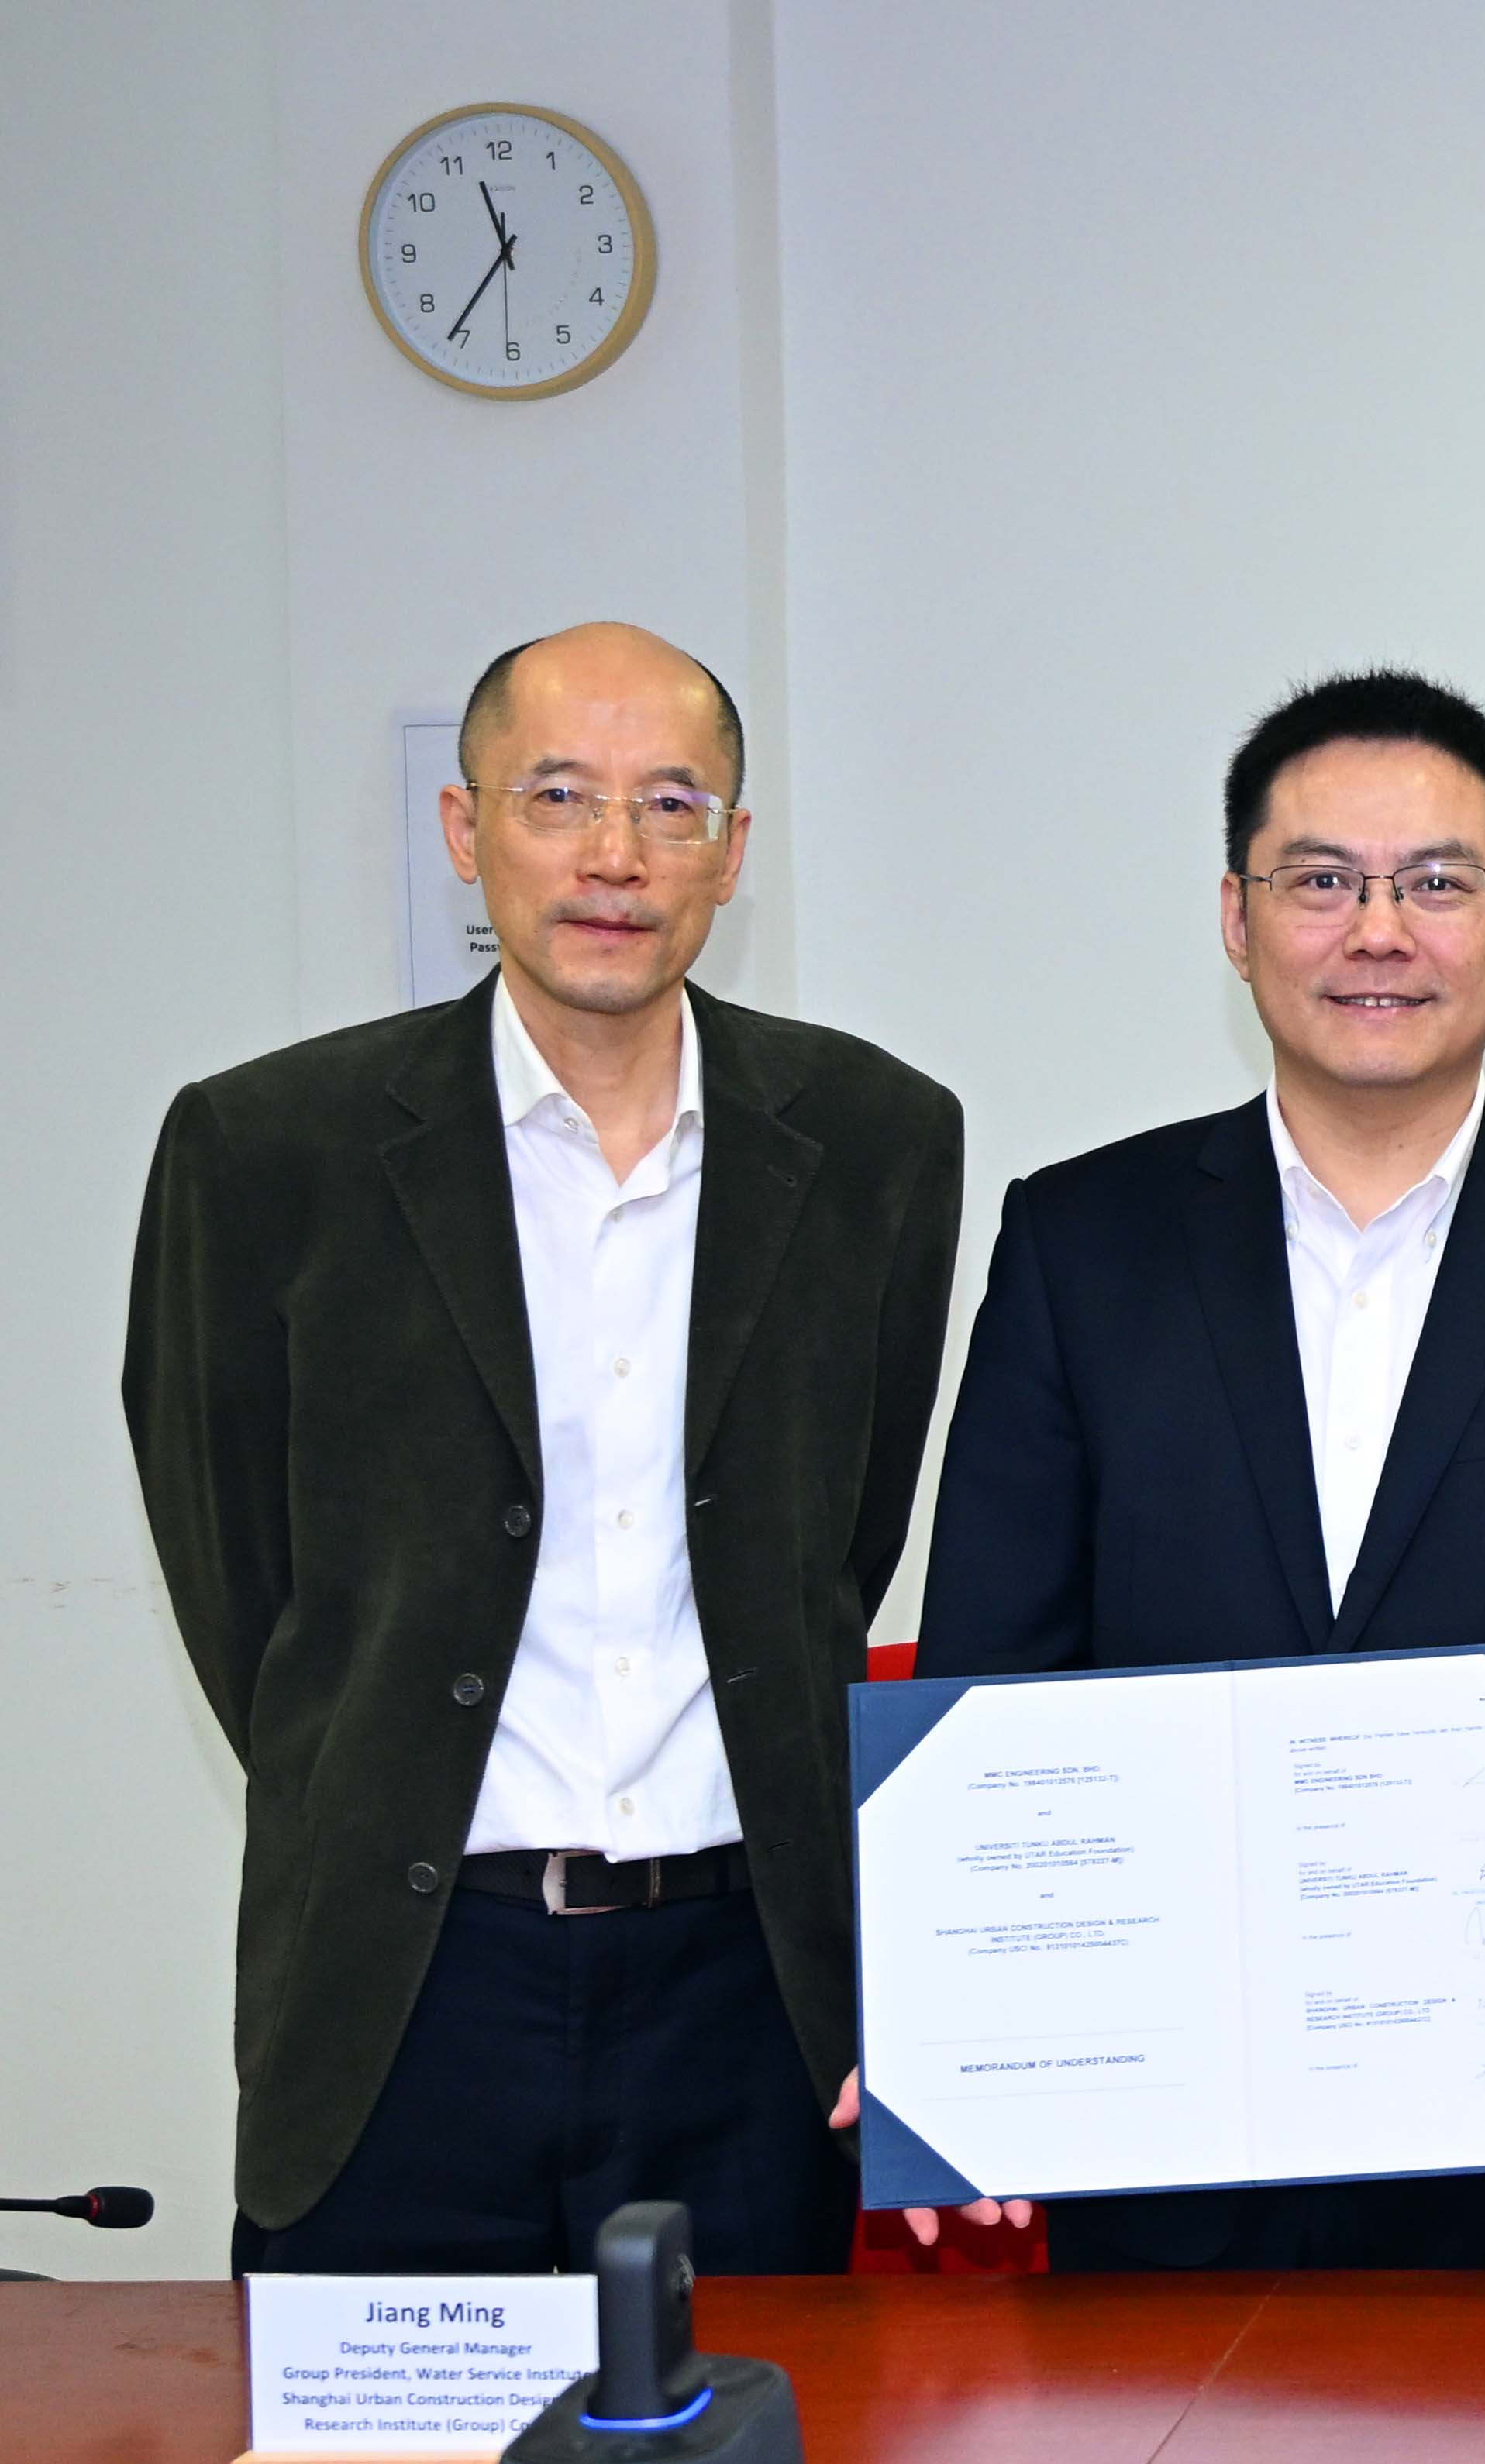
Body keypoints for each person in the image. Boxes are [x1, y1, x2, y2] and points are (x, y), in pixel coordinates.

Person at [911, 669, 1485, 2271]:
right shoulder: (1079, 1242)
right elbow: (1000, 1670)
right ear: (1236, 919)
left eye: (1437, 883)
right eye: (1320, 880)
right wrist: (979, 2032)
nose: (1377, 931)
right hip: (1163, 2144)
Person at [126, 621, 963, 2275]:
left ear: (734, 849)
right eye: (557, 795)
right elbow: (249, 1591)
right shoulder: (267, 1147)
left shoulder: (877, 1137)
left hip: (746, 1992)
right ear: (465, 829)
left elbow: (841, 1541)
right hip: (411, 1991)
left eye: (670, 805)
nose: (613, 855)